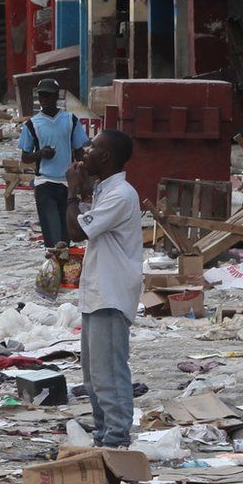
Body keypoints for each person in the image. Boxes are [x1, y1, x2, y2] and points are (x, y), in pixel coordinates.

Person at [65, 129, 141, 448]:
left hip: (111, 293)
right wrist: (83, 191)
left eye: (93, 147)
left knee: (109, 372)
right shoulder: (104, 190)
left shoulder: (121, 194)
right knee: (94, 376)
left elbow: (78, 231)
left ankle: (117, 436)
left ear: (107, 156)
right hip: (97, 291)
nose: (86, 151)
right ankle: (102, 431)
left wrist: (71, 193)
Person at [19, 78, 90, 248]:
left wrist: (85, 180)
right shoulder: (31, 124)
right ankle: (56, 267)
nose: (44, 99)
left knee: (67, 232)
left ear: (56, 96)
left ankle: (64, 269)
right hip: (45, 182)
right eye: (42, 95)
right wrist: (41, 154)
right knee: (52, 232)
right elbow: (25, 157)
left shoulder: (70, 120)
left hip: (67, 183)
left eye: (48, 95)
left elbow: (80, 152)